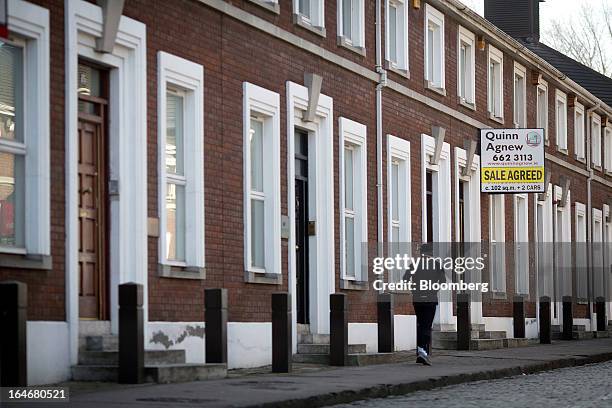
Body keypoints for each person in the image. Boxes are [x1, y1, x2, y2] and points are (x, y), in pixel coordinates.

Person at [406, 242, 445, 366]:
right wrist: (433, 289)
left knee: (420, 324)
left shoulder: (414, 265)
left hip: (417, 299)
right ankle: (423, 351)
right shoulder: (437, 265)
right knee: (427, 326)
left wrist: (414, 288)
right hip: (430, 299)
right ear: (431, 253)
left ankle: (420, 352)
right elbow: (443, 282)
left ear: (421, 253)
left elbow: (405, 279)